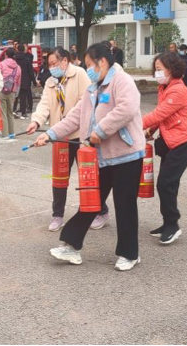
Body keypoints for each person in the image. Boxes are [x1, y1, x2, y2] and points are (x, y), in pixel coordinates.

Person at [34, 43, 145, 272]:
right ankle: (71, 246)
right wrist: (50, 134)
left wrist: (100, 131)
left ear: (102, 62)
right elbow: (75, 116)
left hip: (126, 156)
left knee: (124, 205)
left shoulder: (122, 80)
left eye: (89, 65)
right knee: (90, 201)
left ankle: (129, 254)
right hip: (102, 157)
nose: (88, 70)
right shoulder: (93, 88)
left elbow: (127, 108)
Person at [27, 47, 110, 232]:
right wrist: (36, 121)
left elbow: (85, 102)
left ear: (64, 61)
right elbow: (44, 105)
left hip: (80, 136)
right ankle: (57, 215)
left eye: (54, 63)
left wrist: (69, 121)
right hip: (60, 137)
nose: (52, 67)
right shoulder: (50, 82)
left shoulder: (79, 74)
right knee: (59, 178)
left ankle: (101, 211)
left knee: (87, 176)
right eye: (49, 65)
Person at [142, 52, 187, 245]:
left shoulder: (178, 90)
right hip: (169, 142)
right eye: (155, 69)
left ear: (172, 69)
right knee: (167, 184)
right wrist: (150, 131)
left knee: (165, 184)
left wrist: (133, 125)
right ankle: (167, 223)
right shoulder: (165, 87)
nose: (156, 73)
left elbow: (158, 114)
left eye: (159, 69)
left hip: (181, 143)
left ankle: (173, 225)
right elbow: (162, 116)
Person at [0, 48, 22, 137]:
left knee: (3, 114)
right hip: (12, 92)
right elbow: (19, 82)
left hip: (2, 91)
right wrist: (16, 94)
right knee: (10, 113)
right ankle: (11, 133)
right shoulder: (18, 67)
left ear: (6, 55)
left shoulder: (1, 64)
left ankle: (5, 134)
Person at [14, 44, 37, 119]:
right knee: (23, 97)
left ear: (17, 49)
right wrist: (34, 81)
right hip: (25, 80)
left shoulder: (14, 59)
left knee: (16, 96)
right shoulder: (27, 59)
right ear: (24, 49)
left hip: (16, 80)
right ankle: (23, 113)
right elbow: (31, 71)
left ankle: (14, 110)